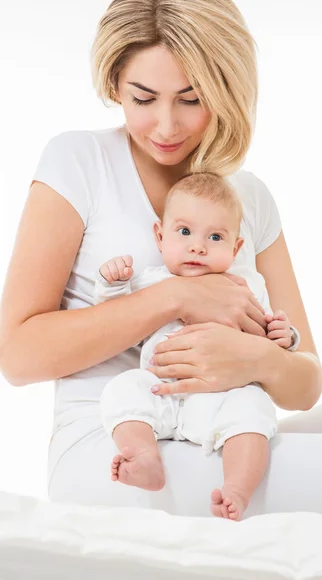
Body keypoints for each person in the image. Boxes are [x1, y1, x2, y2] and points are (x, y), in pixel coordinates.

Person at [0, 0, 322, 527]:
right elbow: (17, 355)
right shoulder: (79, 162)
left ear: (226, 89)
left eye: (191, 99)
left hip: (227, 430)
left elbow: (306, 382)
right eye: (143, 98)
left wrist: (257, 359)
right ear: (115, 82)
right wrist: (178, 294)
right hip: (118, 445)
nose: (166, 125)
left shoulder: (248, 197)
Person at [94, 172, 300, 521]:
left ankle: (237, 486)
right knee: (122, 389)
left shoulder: (245, 285)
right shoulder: (154, 281)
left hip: (221, 397)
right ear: (160, 236)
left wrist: (285, 334)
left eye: (215, 236)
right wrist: (113, 282)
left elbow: (270, 331)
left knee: (253, 408)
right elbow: (113, 317)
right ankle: (143, 456)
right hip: (161, 388)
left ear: (236, 248)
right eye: (185, 232)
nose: (197, 246)